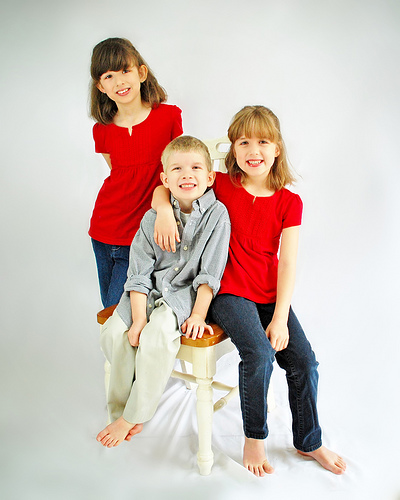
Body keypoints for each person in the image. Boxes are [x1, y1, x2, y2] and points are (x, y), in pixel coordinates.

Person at [153, 106, 346, 477]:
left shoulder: (290, 202)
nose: (253, 150)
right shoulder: (221, 184)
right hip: (227, 292)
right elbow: (168, 190)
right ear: (233, 148)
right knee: (258, 354)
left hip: (269, 295)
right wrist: (162, 209)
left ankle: (309, 441)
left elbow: (287, 264)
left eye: (262, 141)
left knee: (304, 362)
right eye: (244, 142)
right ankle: (254, 438)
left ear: (276, 149)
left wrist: (280, 319)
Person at [96, 136, 231, 447]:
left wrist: (198, 313)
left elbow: (210, 273)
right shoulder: (151, 218)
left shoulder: (216, 216)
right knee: (114, 331)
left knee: (157, 335)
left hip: (186, 295)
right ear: (164, 179)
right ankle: (120, 409)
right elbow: (139, 273)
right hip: (150, 290)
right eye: (178, 169)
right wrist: (138, 318)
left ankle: (134, 416)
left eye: (196, 167)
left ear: (209, 177)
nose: (187, 175)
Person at [88, 37, 183, 307]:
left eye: (125, 71)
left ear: (141, 72)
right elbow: (120, 176)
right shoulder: (102, 130)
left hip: (142, 236)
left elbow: (174, 173)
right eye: (109, 75)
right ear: (100, 86)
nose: (119, 81)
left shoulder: (168, 117)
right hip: (104, 231)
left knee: (124, 319)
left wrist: (163, 208)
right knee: (110, 320)